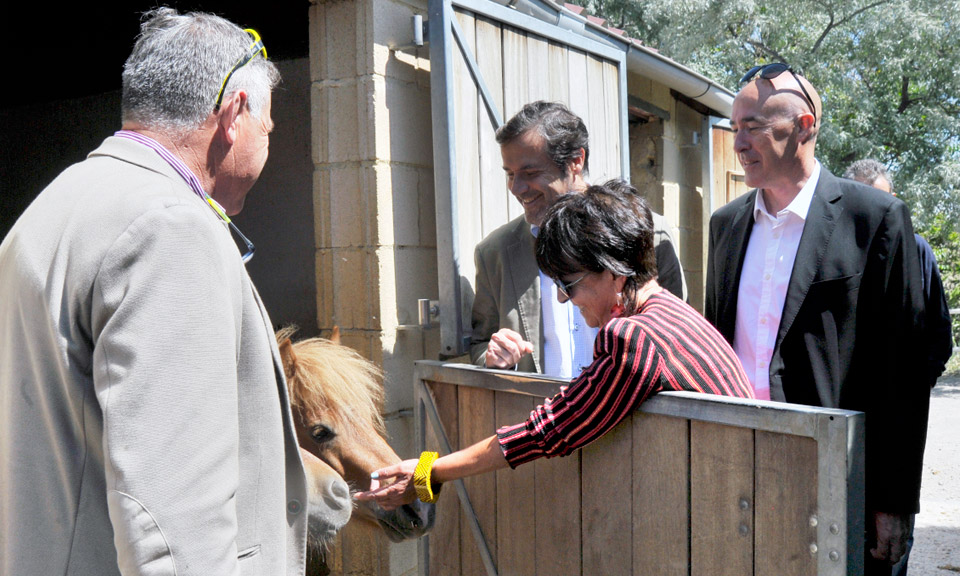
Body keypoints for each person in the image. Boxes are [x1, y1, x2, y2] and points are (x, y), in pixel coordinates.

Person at [0, 9, 308, 575]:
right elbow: (173, 523)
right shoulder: (171, 228)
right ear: (235, 115)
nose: (267, 143)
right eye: (267, 126)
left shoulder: (48, 209)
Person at [358, 181, 752, 509]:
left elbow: (548, 431)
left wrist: (429, 471)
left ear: (613, 272)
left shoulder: (633, 338)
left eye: (567, 283)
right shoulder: (669, 310)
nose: (563, 299)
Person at [704, 63, 930, 574]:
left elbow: (904, 372)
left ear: (806, 126)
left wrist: (894, 500)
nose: (739, 142)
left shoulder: (873, 220)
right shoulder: (726, 226)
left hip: (841, 475)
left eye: (755, 126)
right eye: (734, 126)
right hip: (741, 467)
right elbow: (715, 348)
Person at [470, 101, 687, 378]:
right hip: (545, 418)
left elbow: (677, 338)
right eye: (510, 174)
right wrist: (496, 358)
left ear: (576, 161)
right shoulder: (495, 253)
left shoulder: (650, 234)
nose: (516, 188)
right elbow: (479, 346)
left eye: (530, 173)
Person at [844, 159, 953, 576]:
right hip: (836, 423)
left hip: (889, 432)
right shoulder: (823, 249)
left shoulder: (915, 249)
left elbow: (938, 338)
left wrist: (905, 396)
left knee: (886, 549)